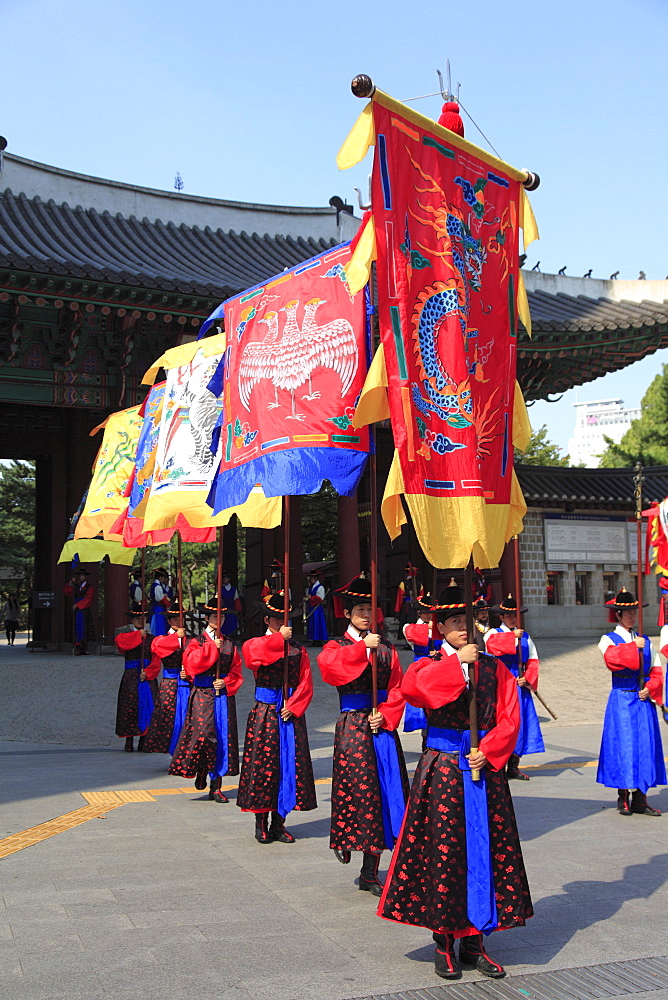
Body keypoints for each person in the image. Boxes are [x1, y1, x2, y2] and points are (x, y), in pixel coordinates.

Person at [378, 583, 533, 981]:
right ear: (441, 627)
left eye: (470, 621)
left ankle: (477, 941)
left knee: (486, 851)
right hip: (443, 770)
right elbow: (416, 692)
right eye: (456, 622)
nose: (466, 628)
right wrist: (456, 664)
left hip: (483, 771)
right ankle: (444, 941)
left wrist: (492, 749)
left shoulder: (494, 667)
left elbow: (509, 717)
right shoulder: (428, 664)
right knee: (444, 852)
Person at [318, 577, 408, 897]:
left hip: (379, 726)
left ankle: (370, 870)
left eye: (370, 608)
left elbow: (398, 686)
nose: (366, 614)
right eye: (360, 609)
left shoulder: (386, 648)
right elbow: (329, 669)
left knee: (382, 794)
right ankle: (345, 838)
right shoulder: (337, 646)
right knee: (357, 791)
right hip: (353, 726)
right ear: (348, 614)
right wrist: (360, 649)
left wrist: (387, 714)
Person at [238, 592, 317, 843]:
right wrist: (277, 642)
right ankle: (260, 820)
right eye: (276, 619)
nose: (283, 623)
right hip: (265, 712)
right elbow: (253, 658)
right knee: (263, 767)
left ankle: (279, 823)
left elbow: (306, 681)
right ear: (267, 621)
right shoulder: (255, 643)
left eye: (286, 618)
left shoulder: (298, 650)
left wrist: (294, 706)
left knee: (288, 767)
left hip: (289, 713)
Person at [599, 587, 665, 816]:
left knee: (644, 746)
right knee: (624, 746)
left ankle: (641, 797)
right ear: (617, 614)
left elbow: (656, 669)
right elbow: (612, 660)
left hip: (642, 699)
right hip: (622, 699)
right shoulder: (608, 639)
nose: (633, 616)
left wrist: (651, 687)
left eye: (635, 613)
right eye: (628, 613)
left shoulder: (645, 640)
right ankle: (623, 795)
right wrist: (631, 648)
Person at [169, 596, 242, 801]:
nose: (217, 620)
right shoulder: (196, 642)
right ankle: (202, 768)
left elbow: (236, 671)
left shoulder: (230, 644)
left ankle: (216, 784)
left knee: (221, 739)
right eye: (213, 616)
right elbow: (191, 664)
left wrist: (226, 682)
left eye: (221, 616)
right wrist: (212, 648)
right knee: (202, 735)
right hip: (201, 695)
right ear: (207, 618)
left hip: (222, 697)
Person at [485, 595, 544, 781]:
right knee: (502, 722)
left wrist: (527, 678)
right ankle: (498, 763)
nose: (512, 618)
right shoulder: (492, 633)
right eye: (508, 615)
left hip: (519, 684)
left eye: (515, 615)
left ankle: (514, 764)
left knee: (520, 723)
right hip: (501, 683)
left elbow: (533, 660)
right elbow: (493, 648)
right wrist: (512, 638)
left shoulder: (526, 636)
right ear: (501, 617)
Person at [142, 601, 189, 754]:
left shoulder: (191, 641)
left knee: (187, 717)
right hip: (169, 683)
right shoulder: (162, 639)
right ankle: (171, 749)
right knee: (169, 717)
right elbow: (157, 649)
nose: (179, 622)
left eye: (181, 619)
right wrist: (176, 638)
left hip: (187, 682)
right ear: (169, 621)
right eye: (175, 619)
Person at [115, 610, 159, 751]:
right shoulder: (125, 636)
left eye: (143, 618)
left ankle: (144, 739)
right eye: (137, 618)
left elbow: (156, 658)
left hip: (146, 676)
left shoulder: (152, 639)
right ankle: (129, 740)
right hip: (131, 676)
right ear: (132, 621)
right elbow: (121, 645)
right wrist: (137, 636)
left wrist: (149, 672)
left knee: (149, 706)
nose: (141, 621)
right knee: (130, 706)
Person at [402, 592, 442, 734]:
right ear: (419, 612)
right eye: (426, 612)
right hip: (421, 667)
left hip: (438, 668)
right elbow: (415, 635)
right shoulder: (410, 627)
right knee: (422, 705)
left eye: (432, 611)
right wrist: (430, 628)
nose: (429, 615)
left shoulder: (440, 626)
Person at [64, 567, 95, 655]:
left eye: (83, 576)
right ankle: (77, 648)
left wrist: (78, 605)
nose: (81, 577)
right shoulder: (76, 585)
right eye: (80, 575)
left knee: (84, 628)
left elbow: (89, 598)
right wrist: (71, 583)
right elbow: (67, 592)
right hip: (76, 610)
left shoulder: (89, 587)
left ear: (86, 577)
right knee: (76, 628)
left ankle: (84, 648)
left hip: (84, 610)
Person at [306, 572, 328, 645]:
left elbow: (320, 598)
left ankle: (318, 640)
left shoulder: (320, 587)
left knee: (317, 623)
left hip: (317, 608)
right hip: (311, 607)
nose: (311, 580)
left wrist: (311, 598)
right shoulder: (310, 587)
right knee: (312, 623)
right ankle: (313, 639)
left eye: (312, 578)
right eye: (310, 578)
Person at [149, 567, 173, 637]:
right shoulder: (157, 586)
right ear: (161, 577)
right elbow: (160, 599)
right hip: (158, 609)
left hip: (157, 608)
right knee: (159, 627)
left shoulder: (156, 586)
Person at [219, 572, 242, 637]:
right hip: (223, 610)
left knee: (232, 626)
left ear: (229, 579)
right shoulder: (220, 589)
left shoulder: (233, 589)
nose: (224, 579)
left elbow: (236, 600)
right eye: (223, 578)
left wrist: (237, 610)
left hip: (231, 610)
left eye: (226, 578)